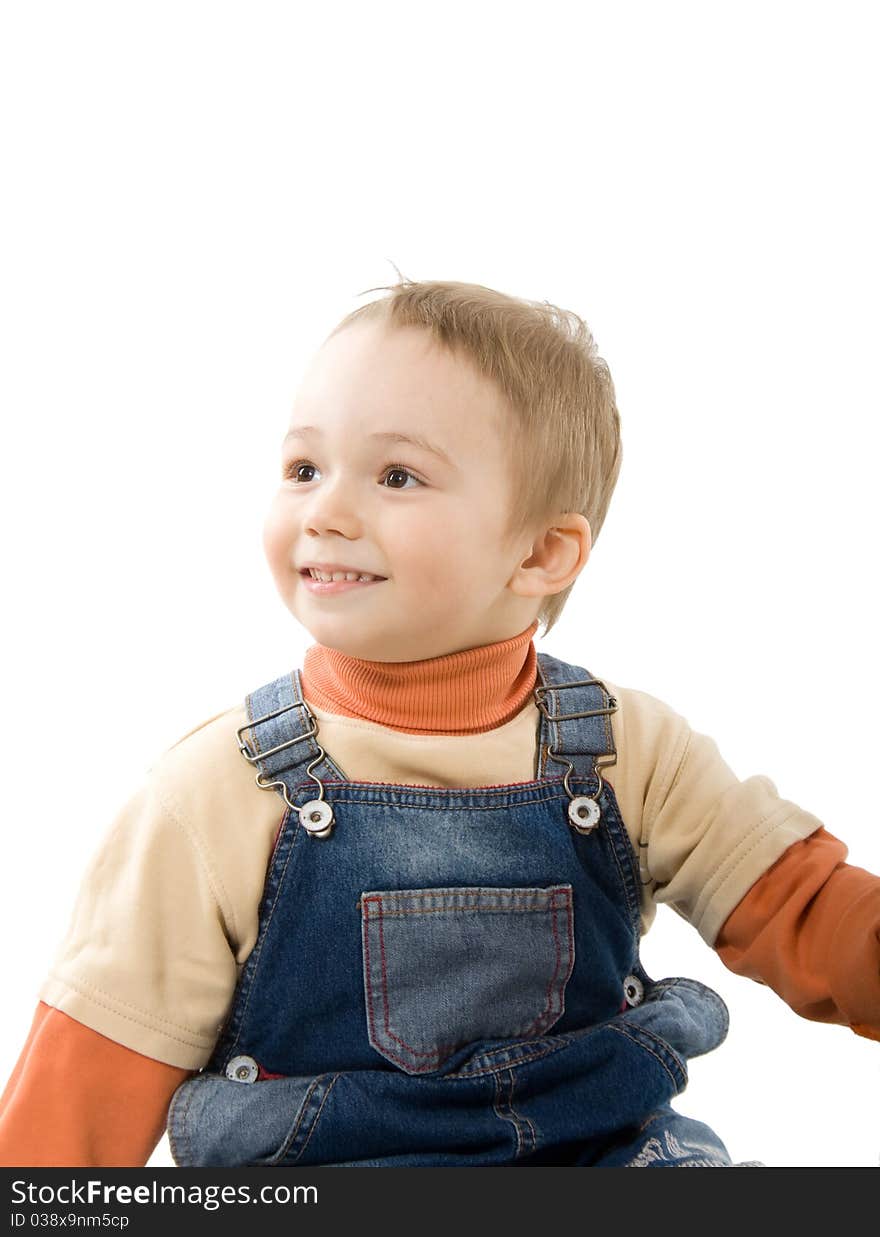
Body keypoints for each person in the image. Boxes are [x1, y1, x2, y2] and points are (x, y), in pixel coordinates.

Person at [1, 277, 877, 1168]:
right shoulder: (214, 791)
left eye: (396, 476)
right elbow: (86, 1085)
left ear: (541, 551)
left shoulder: (630, 751)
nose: (326, 511)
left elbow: (806, 912)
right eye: (305, 468)